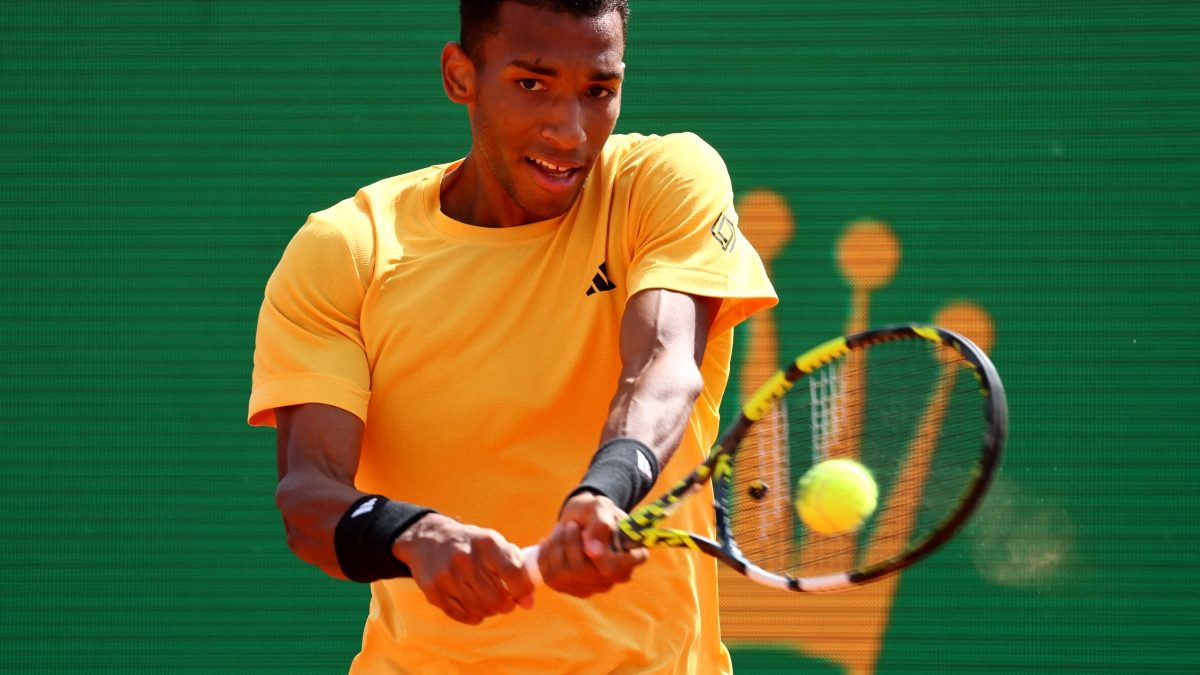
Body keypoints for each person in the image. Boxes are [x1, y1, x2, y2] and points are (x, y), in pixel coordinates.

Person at [248, 1, 776, 672]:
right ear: (460, 75)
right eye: (532, 84)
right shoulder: (349, 249)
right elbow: (308, 497)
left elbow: (665, 365)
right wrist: (413, 534)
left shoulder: (662, 182)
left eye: (599, 92)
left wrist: (602, 493)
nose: (569, 132)